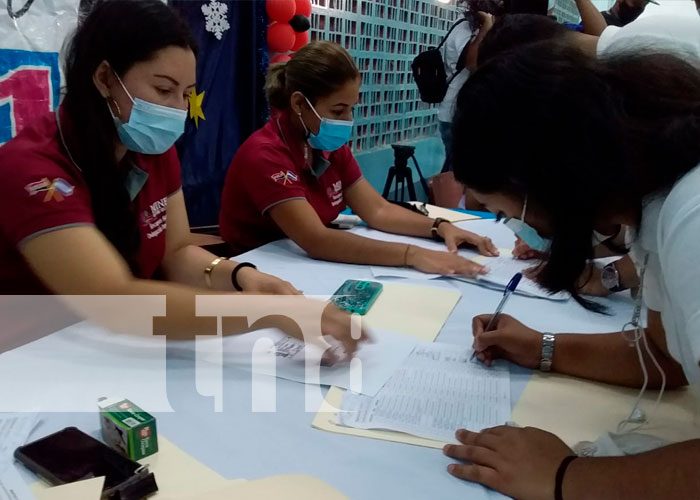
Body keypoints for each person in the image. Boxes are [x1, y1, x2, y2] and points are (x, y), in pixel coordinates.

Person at [0, 0, 366, 355]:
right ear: (105, 78)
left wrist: (241, 277)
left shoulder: (151, 150)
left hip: (106, 348)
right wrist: (270, 313)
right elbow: (112, 298)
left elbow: (175, 253)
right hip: (26, 360)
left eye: (186, 94)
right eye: (163, 90)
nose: (177, 110)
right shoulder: (34, 169)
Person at [442, 42, 700, 498]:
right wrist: (542, 348)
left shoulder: (692, 217)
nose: (511, 226)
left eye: (503, 210)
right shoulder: (650, 208)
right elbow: (665, 358)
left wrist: (565, 477)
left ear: (543, 180)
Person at [219, 41, 498, 276]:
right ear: (299, 104)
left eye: (351, 109)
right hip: (257, 272)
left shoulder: (325, 143)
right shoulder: (265, 154)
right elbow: (316, 240)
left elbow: (377, 210)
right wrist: (413, 255)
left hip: (305, 266)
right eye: (338, 110)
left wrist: (440, 227)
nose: (347, 121)